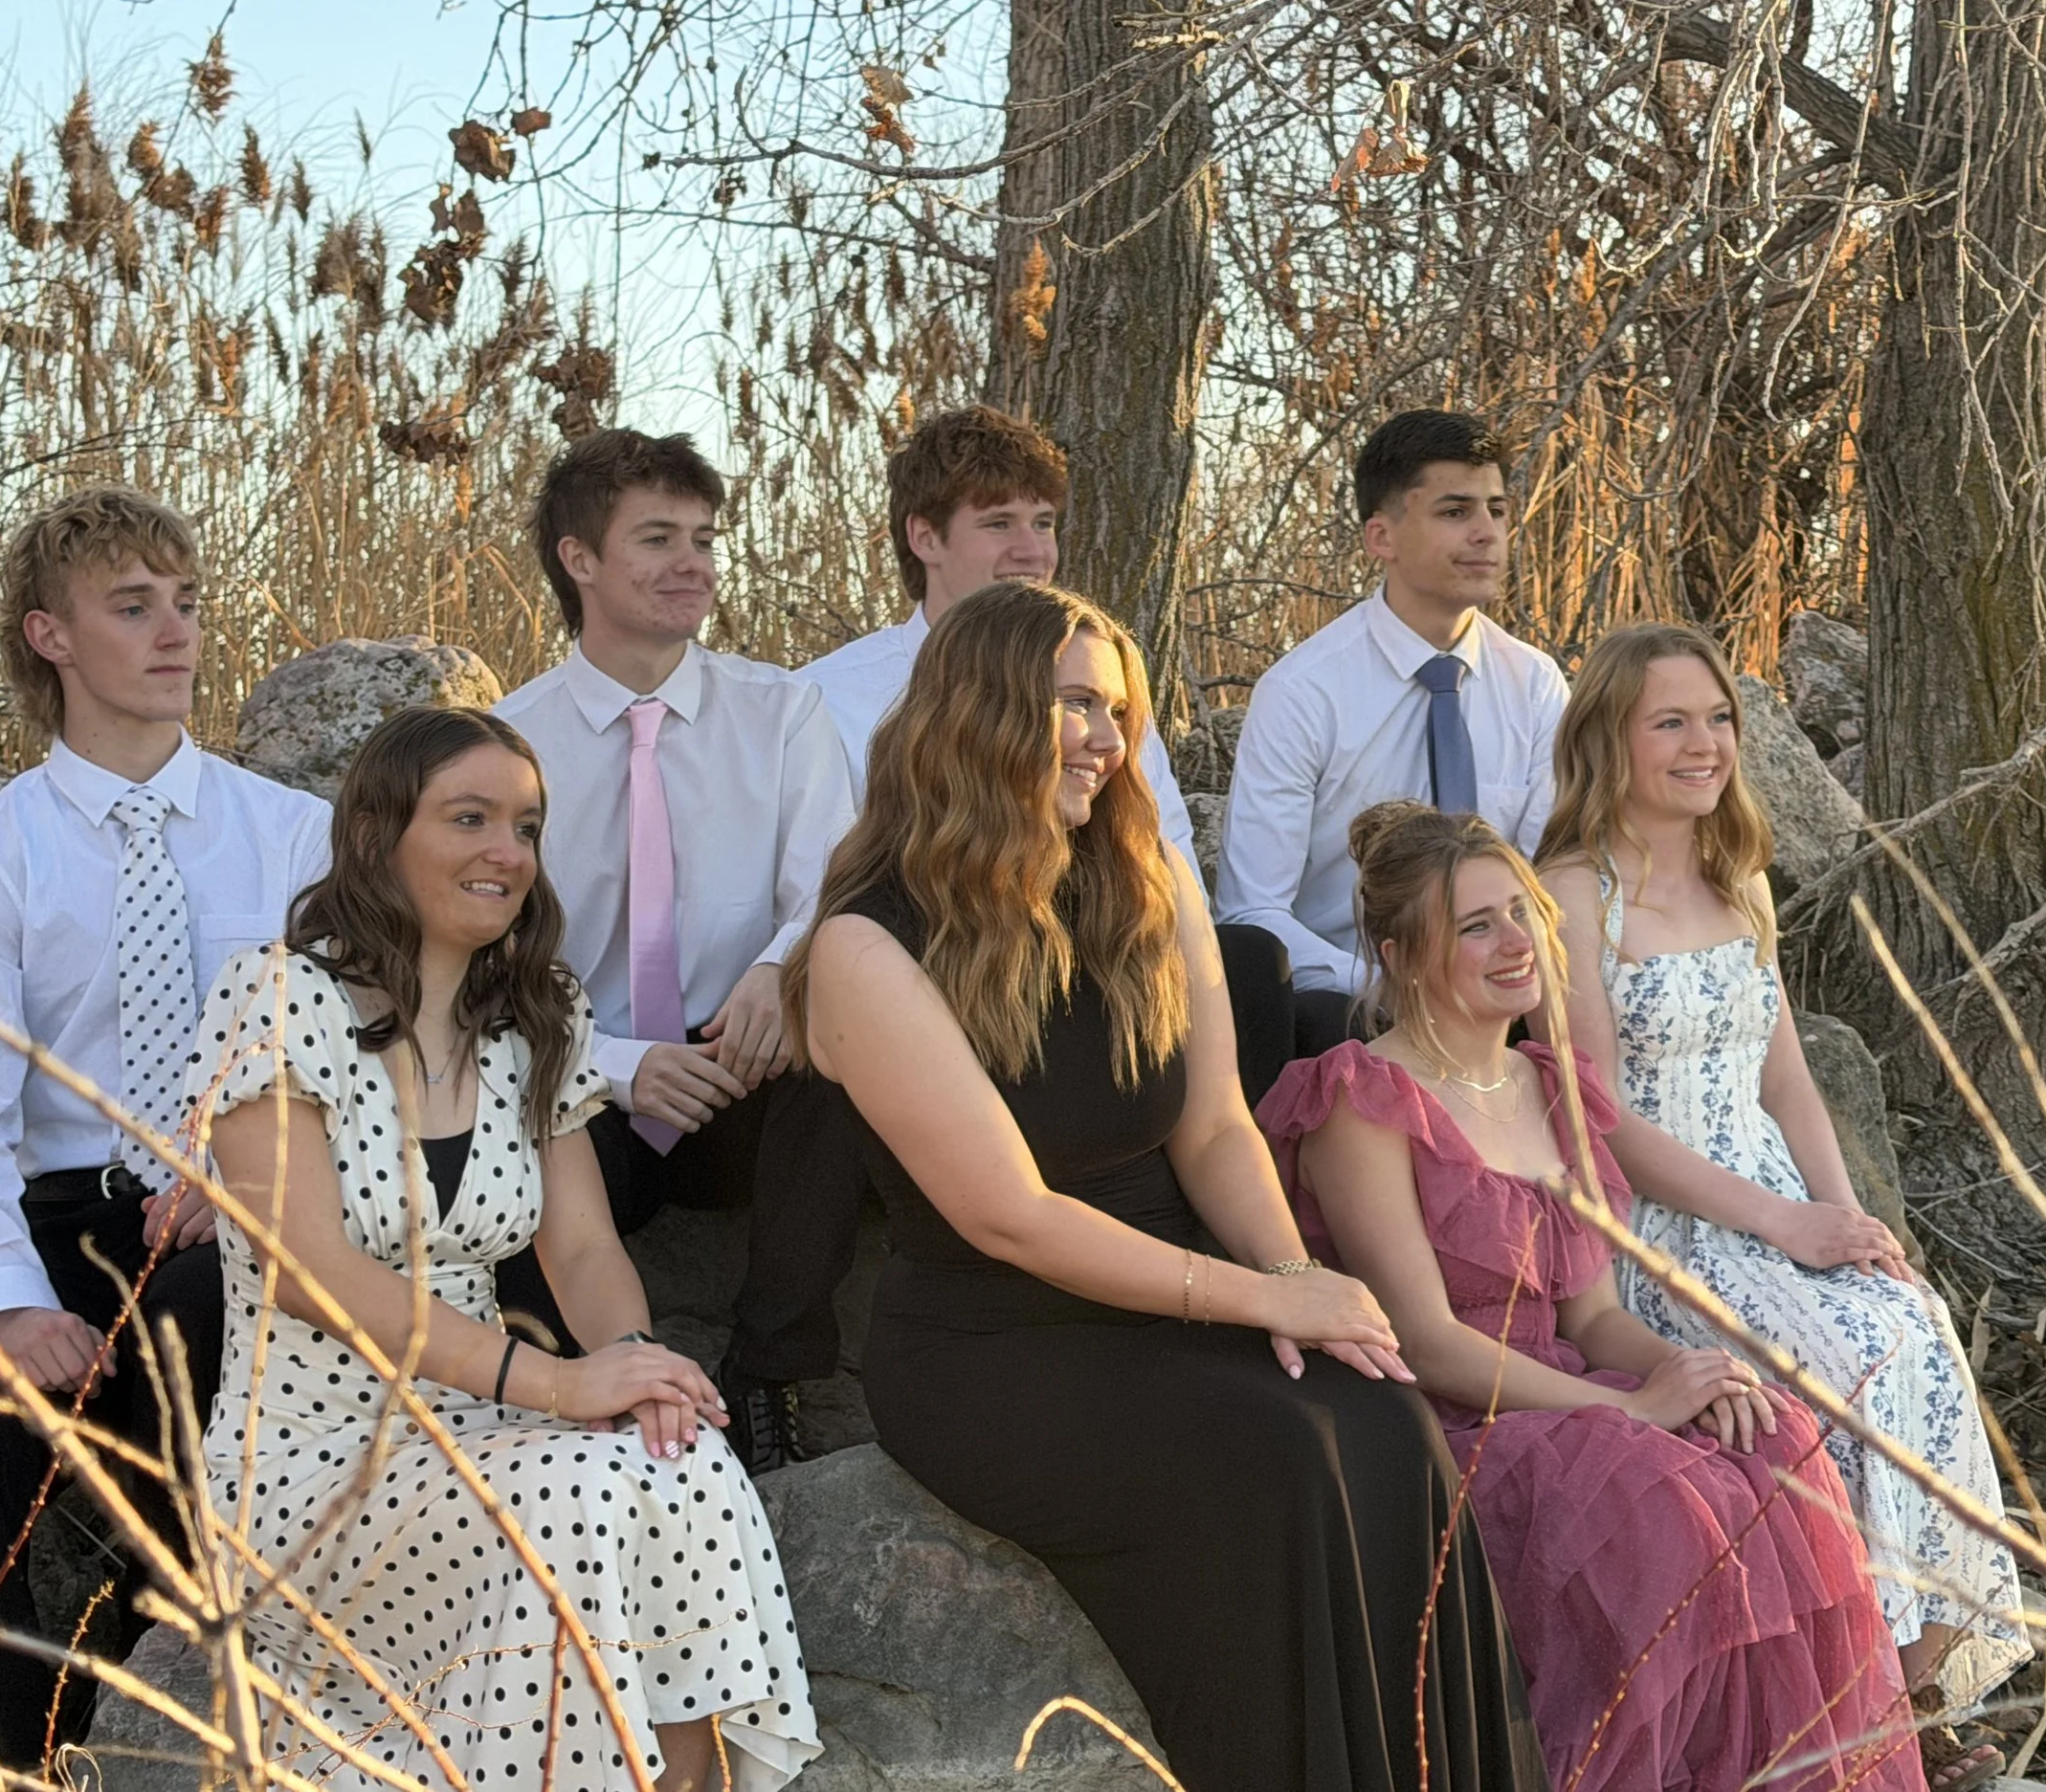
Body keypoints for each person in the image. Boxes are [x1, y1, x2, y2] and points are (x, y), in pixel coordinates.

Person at [782, 579, 1545, 1792]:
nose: (1107, 736)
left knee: (1387, 1421)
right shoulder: (867, 946)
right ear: (977, 713)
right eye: (1074, 704)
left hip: (1176, 1291)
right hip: (1000, 1344)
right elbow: (1006, 1213)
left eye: (1117, 709)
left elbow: (1214, 1130)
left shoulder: (1144, 881)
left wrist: (1296, 1276)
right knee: (1276, 1459)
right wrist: (1257, 1303)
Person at [190, 706, 819, 1792]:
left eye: (525, 827)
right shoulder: (277, 995)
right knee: (572, 1497)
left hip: (485, 1426)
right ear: (379, 834)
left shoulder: (536, 1012)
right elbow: (309, 1275)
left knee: (681, 1461)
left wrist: (636, 1367)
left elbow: (578, 1248)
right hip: (306, 1461)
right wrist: (561, 1385)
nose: (506, 853)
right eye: (469, 819)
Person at [1258, 800, 1928, 1792]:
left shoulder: (1553, 1083)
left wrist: (1686, 1372)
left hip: (1574, 1389)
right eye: (1473, 927)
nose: (1513, 943)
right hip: (1453, 1419)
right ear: (1401, 957)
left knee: (1775, 1445)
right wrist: (1629, 1407)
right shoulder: (1364, 1099)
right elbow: (1427, 1340)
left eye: (1519, 913)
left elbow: (1593, 1317)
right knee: (1666, 1511)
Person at [1535, 622, 2028, 1782]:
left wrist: (1848, 1219)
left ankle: (1921, 1678)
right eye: (1671, 721)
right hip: (1661, 1225)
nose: (1703, 745)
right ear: (1609, 736)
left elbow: (1785, 1072)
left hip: (1772, 1196)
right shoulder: (1570, 896)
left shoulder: (1737, 871)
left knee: (1911, 1326)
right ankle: (1856, 1683)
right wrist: (1782, 1227)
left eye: (1718, 720)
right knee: (1840, 1364)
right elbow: (1599, 1118)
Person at [0, 485, 330, 1764]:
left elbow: (334, 1046)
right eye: (134, 604)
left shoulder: (289, 833)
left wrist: (237, 1171)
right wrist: (2, 1299)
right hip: (60, 1208)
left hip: (230, 1197)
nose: (177, 631)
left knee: (204, 1313)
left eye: (188, 603)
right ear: (51, 635)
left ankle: (161, 1698)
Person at [495, 428, 858, 1471]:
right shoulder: (507, 742)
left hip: (747, 1057)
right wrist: (618, 1064)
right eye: (656, 539)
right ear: (579, 559)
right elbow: (492, 965)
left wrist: (777, 971)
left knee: (841, 1063)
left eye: (703, 538)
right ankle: (585, 1409)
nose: (692, 563)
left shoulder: (783, 713)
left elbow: (837, 887)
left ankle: (772, 1375)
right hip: (589, 1078)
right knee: (510, 1134)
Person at [798, 406, 1298, 1102]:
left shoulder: (1098, 680)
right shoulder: (822, 700)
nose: (1033, 552)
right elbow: (818, 890)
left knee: (1248, 964)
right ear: (924, 536)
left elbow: (1162, 848)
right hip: (941, 961)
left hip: (1087, 949)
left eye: (1044, 524)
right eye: (999, 523)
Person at [1217, 409, 1570, 1076]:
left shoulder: (1535, 684)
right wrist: (1387, 985)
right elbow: (1253, 908)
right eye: (1454, 511)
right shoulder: (1303, 693)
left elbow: (1545, 870)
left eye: (1496, 509)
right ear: (1381, 535)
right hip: (1353, 1003)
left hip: (1503, 988)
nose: (1487, 533)